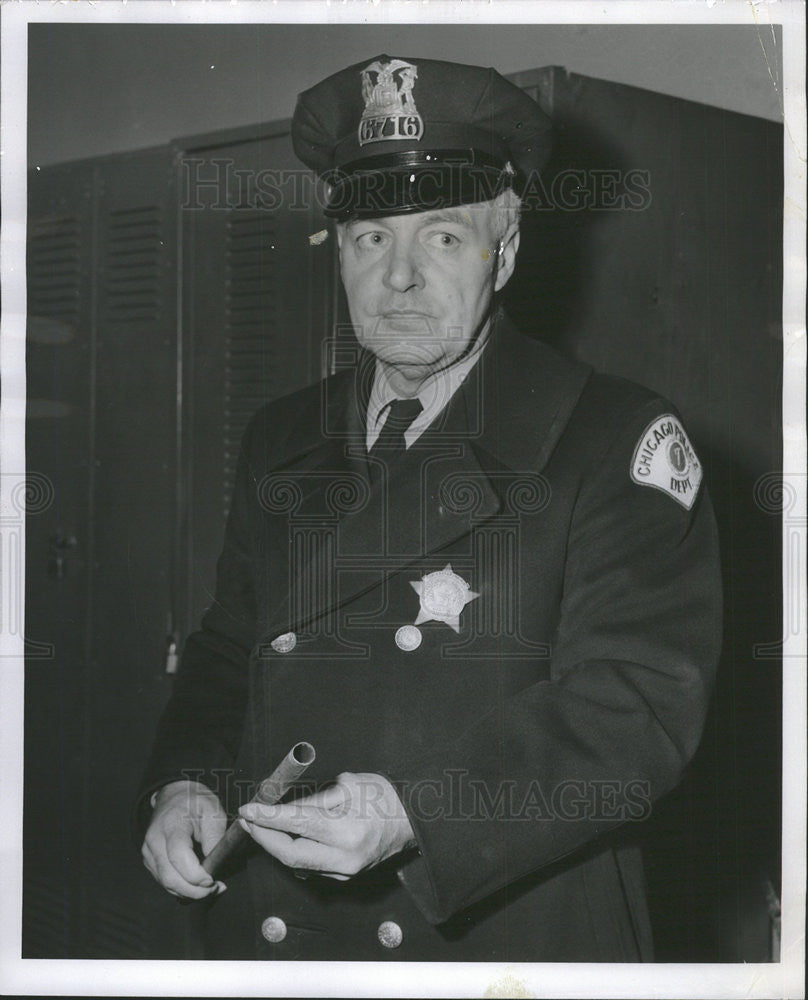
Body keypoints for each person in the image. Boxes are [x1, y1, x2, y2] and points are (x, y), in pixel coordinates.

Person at [137, 54, 722, 961]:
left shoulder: (613, 438)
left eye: (443, 236)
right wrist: (184, 781)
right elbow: (228, 643)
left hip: (495, 932)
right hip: (283, 938)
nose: (400, 278)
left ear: (509, 249)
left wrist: (421, 812)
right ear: (339, 253)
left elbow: (635, 708)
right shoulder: (282, 435)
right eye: (372, 237)